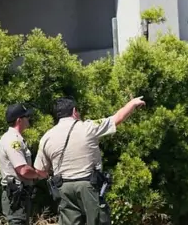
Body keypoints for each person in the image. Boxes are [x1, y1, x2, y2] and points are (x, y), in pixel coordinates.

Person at [34, 96, 146, 225]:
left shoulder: (47, 137)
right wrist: (132, 103)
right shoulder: (88, 127)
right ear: (74, 111)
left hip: (63, 188)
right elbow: (116, 118)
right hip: (87, 185)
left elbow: (40, 170)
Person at [0, 102, 45, 225]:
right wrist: (39, 174)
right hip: (16, 196)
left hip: (20, 195)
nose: (29, 119)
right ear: (19, 120)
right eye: (26, 117)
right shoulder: (13, 140)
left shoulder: (15, 138)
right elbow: (23, 170)